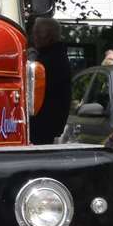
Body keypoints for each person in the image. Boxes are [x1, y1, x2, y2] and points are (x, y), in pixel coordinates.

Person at [28, 17, 72, 145]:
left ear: (47, 36)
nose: (33, 37)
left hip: (44, 120)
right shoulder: (55, 55)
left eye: (36, 33)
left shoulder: (51, 59)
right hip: (49, 119)